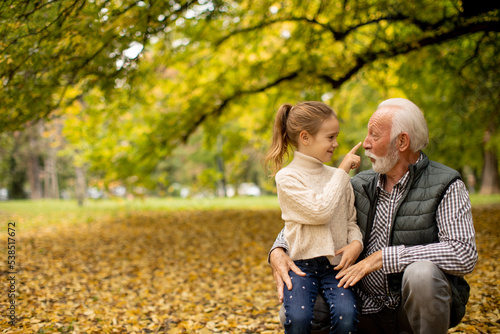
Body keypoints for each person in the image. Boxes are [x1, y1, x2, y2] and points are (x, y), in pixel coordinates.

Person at [269, 98, 478, 334]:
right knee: (293, 312)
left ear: (402, 141)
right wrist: (277, 250)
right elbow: (312, 218)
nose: (365, 143)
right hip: (362, 306)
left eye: (374, 136)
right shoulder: (358, 184)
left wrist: (385, 258)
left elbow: (464, 253)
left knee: (421, 274)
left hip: (409, 313)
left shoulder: (446, 184)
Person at [264, 101, 365, 334]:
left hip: (335, 266)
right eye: (330, 137)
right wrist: (341, 173)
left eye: (336, 137)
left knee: (347, 315)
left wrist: (356, 244)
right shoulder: (287, 178)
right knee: (298, 318)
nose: (336, 144)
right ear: (305, 137)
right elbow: (320, 212)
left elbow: (350, 221)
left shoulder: (340, 178)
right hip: (301, 265)